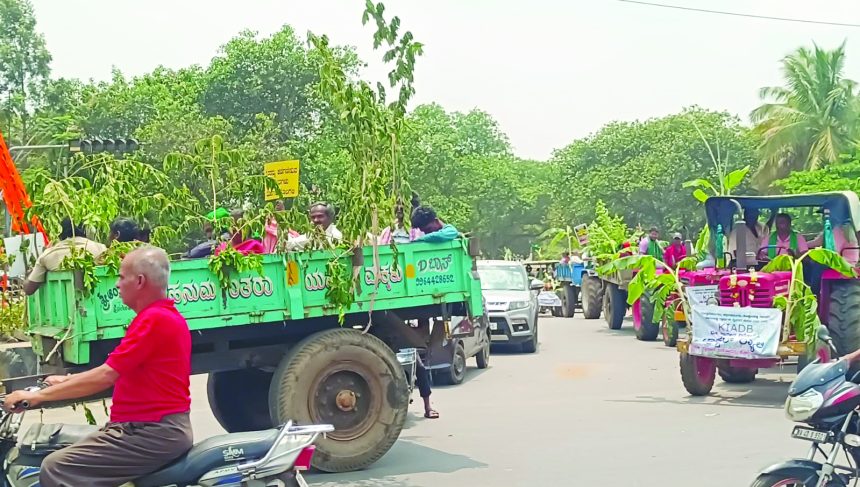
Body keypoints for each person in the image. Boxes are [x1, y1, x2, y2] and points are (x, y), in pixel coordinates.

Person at [3, 247, 192, 487]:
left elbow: (105, 376)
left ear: (140, 281)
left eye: (122, 277)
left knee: (56, 468)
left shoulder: (155, 320)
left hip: (151, 432)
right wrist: (66, 381)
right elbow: (114, 369)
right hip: (145, 429)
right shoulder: (157, 317)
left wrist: (38, 397)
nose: (117, 284)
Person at [23, 218, 108, 296]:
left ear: (61, 233)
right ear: (84, 231)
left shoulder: (47, 255)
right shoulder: (100, 249)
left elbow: (28, 289)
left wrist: (29, 275)